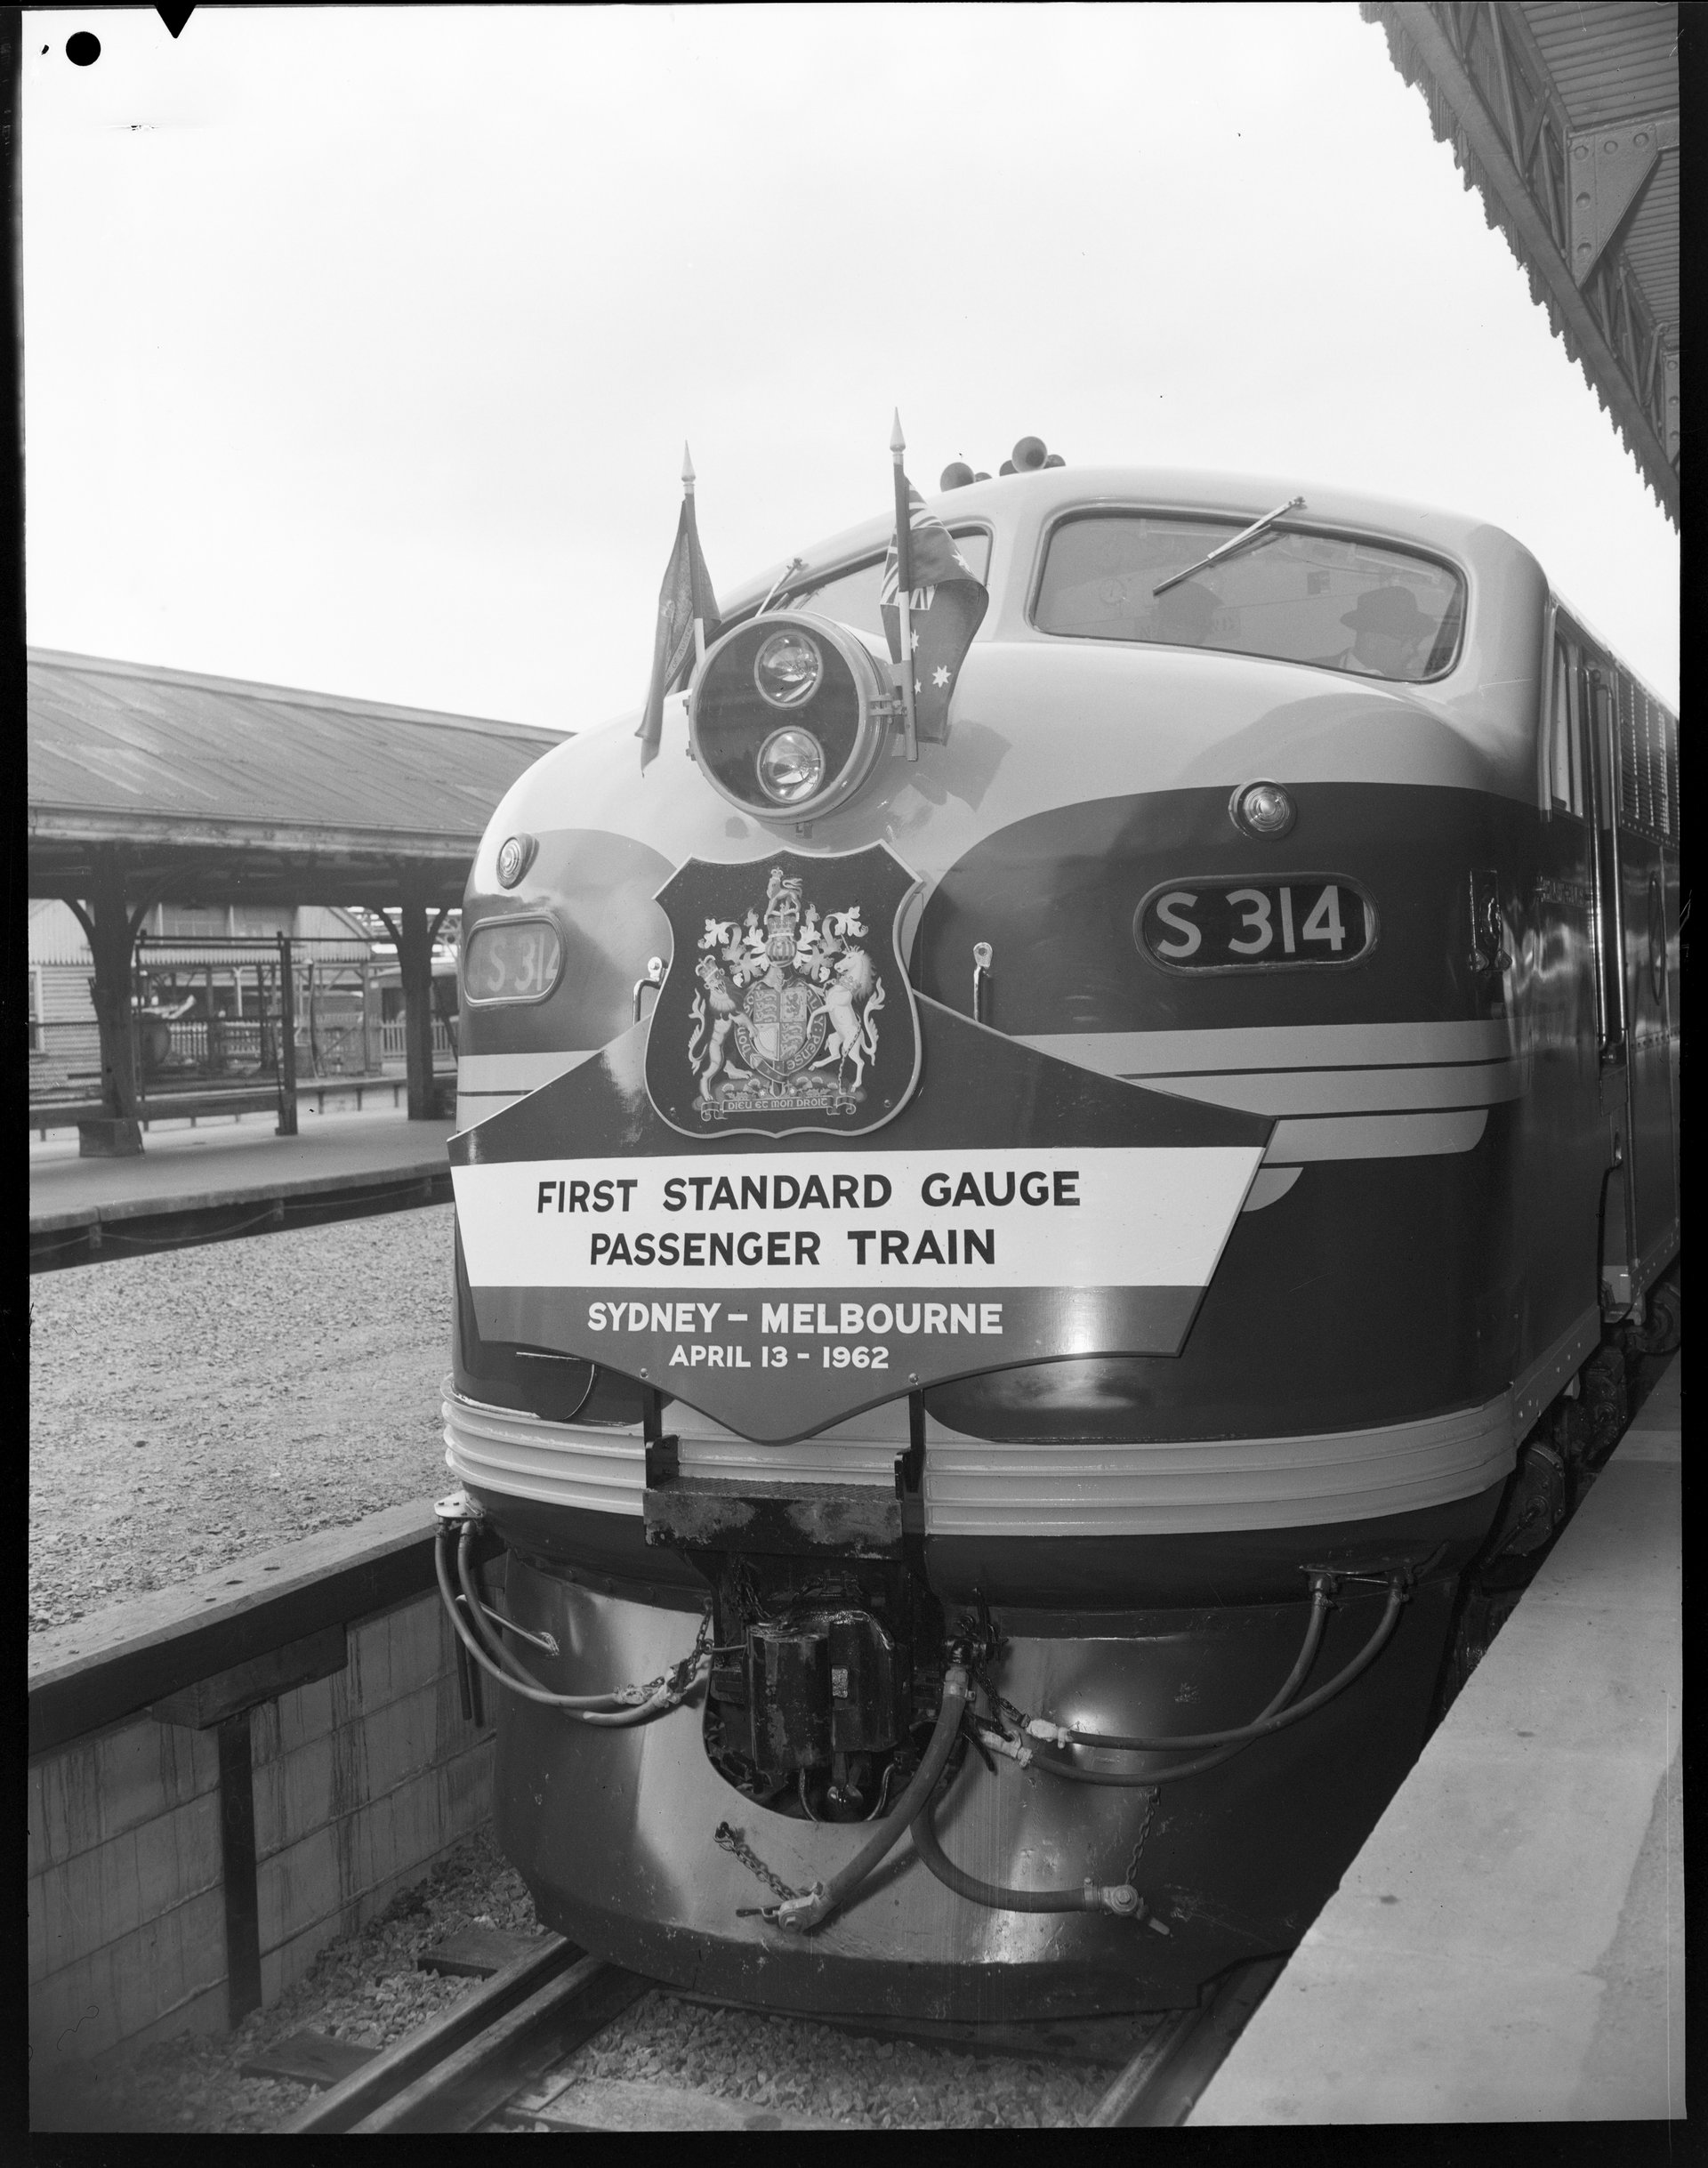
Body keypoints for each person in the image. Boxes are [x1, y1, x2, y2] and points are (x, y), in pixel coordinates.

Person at [1320, 584, 1434, 678]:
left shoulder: (1409, 687)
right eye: (1405, 641)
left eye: (1415, 642)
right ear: (1371, 641)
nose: (1412, 651)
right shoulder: (1315, 674)